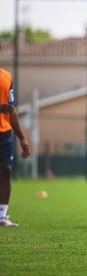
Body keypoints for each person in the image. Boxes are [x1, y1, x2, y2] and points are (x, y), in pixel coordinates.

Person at [0, 64, 31, 227]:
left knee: (6, 171)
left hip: (4, 132)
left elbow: (11, 110)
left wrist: (22, 138)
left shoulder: (7, 76)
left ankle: (1, 216)